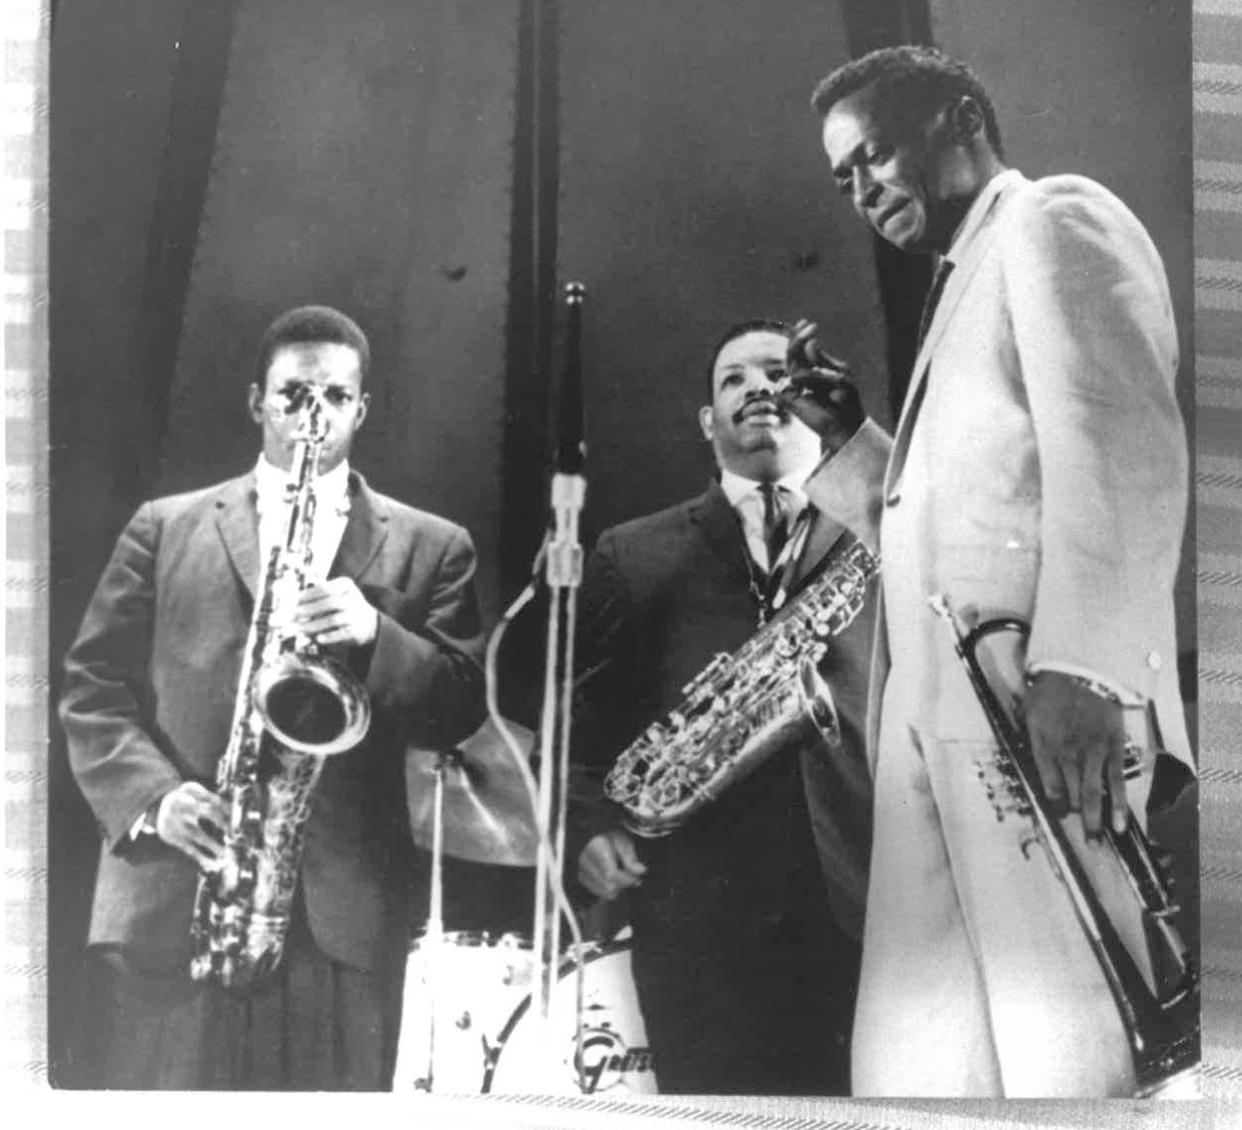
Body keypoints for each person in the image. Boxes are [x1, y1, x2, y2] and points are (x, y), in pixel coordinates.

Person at [810, 46, 1195, 1096]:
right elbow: (964, 514)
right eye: (843, 179)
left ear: (958, 117)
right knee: (931, 1056)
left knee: (1066, 1042)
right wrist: (854, 448)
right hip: (934, 720)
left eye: (875, 155)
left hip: (1033, 706)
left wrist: (1088, 666)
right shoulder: (962, 277)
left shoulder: (1051, 217)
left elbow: (1120, 445)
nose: (862, 191)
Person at [59, 305, 487, 1089]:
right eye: (293, 396)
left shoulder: (436, 545)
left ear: (362, 408)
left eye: (333, 397)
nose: (311, 417)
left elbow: (462, 708)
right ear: (258, 401)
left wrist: (375, 636)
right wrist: (157, 800)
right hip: (178, 897)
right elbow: (92, 689)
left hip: (340, 923)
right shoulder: (163, 527)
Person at [567, 318, 891, 1094]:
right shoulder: (632, 551)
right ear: (708, 422)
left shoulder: (888, 525)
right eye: (734, 379)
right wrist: (587, 825)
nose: (759, 390)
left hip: (870, 891)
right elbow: (590, 721)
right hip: (697, 915)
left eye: (778, 373)